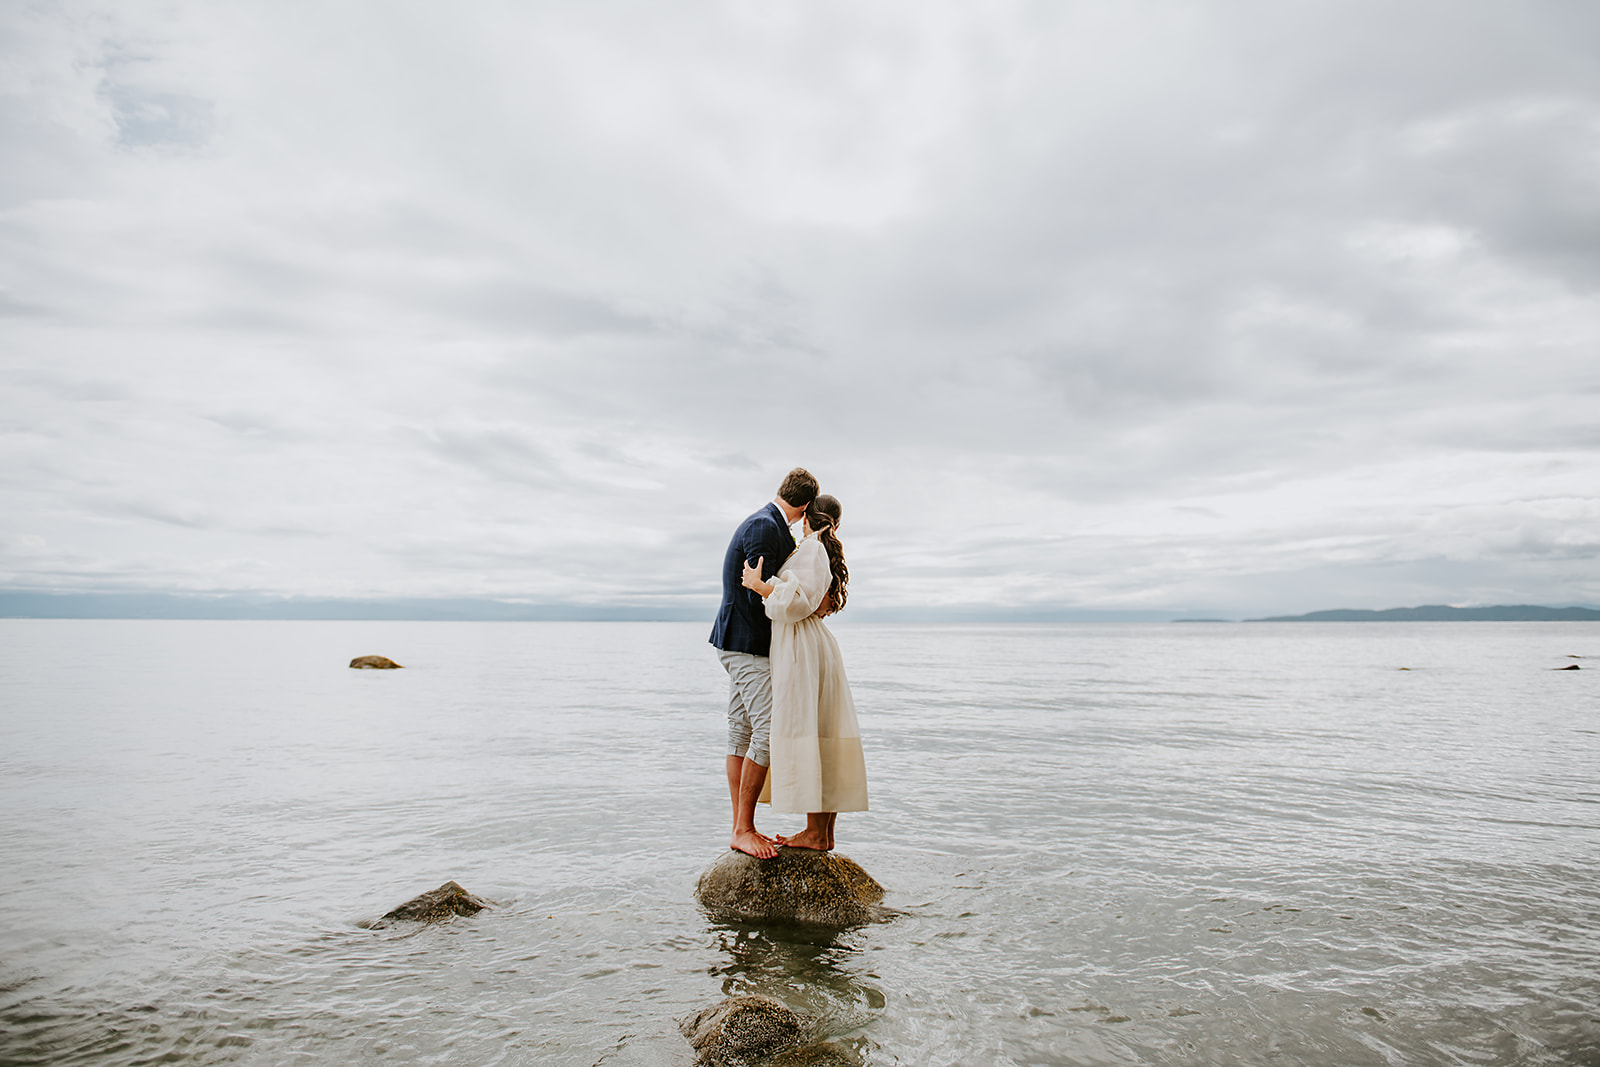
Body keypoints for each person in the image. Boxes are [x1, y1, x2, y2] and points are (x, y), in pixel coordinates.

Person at [740, 494, 867, 850]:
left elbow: (797, 604)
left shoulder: (811, 549)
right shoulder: (820, 550)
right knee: (824, 732)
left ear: (807, 518)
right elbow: (811, 599)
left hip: (801, 646)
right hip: (812, 643)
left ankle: (815, 833)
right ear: (837, 525)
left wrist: (760, 585)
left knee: (810, 729)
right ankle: (822, 834)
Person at [710, 468, 820, 858]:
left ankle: (741, 826)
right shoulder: (763, 526)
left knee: (741, 730)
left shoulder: (766, 521)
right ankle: (743, 828)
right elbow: (757, 587)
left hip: (739, 642)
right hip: (745, 643)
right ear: (805, 506)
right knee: (769, 728)